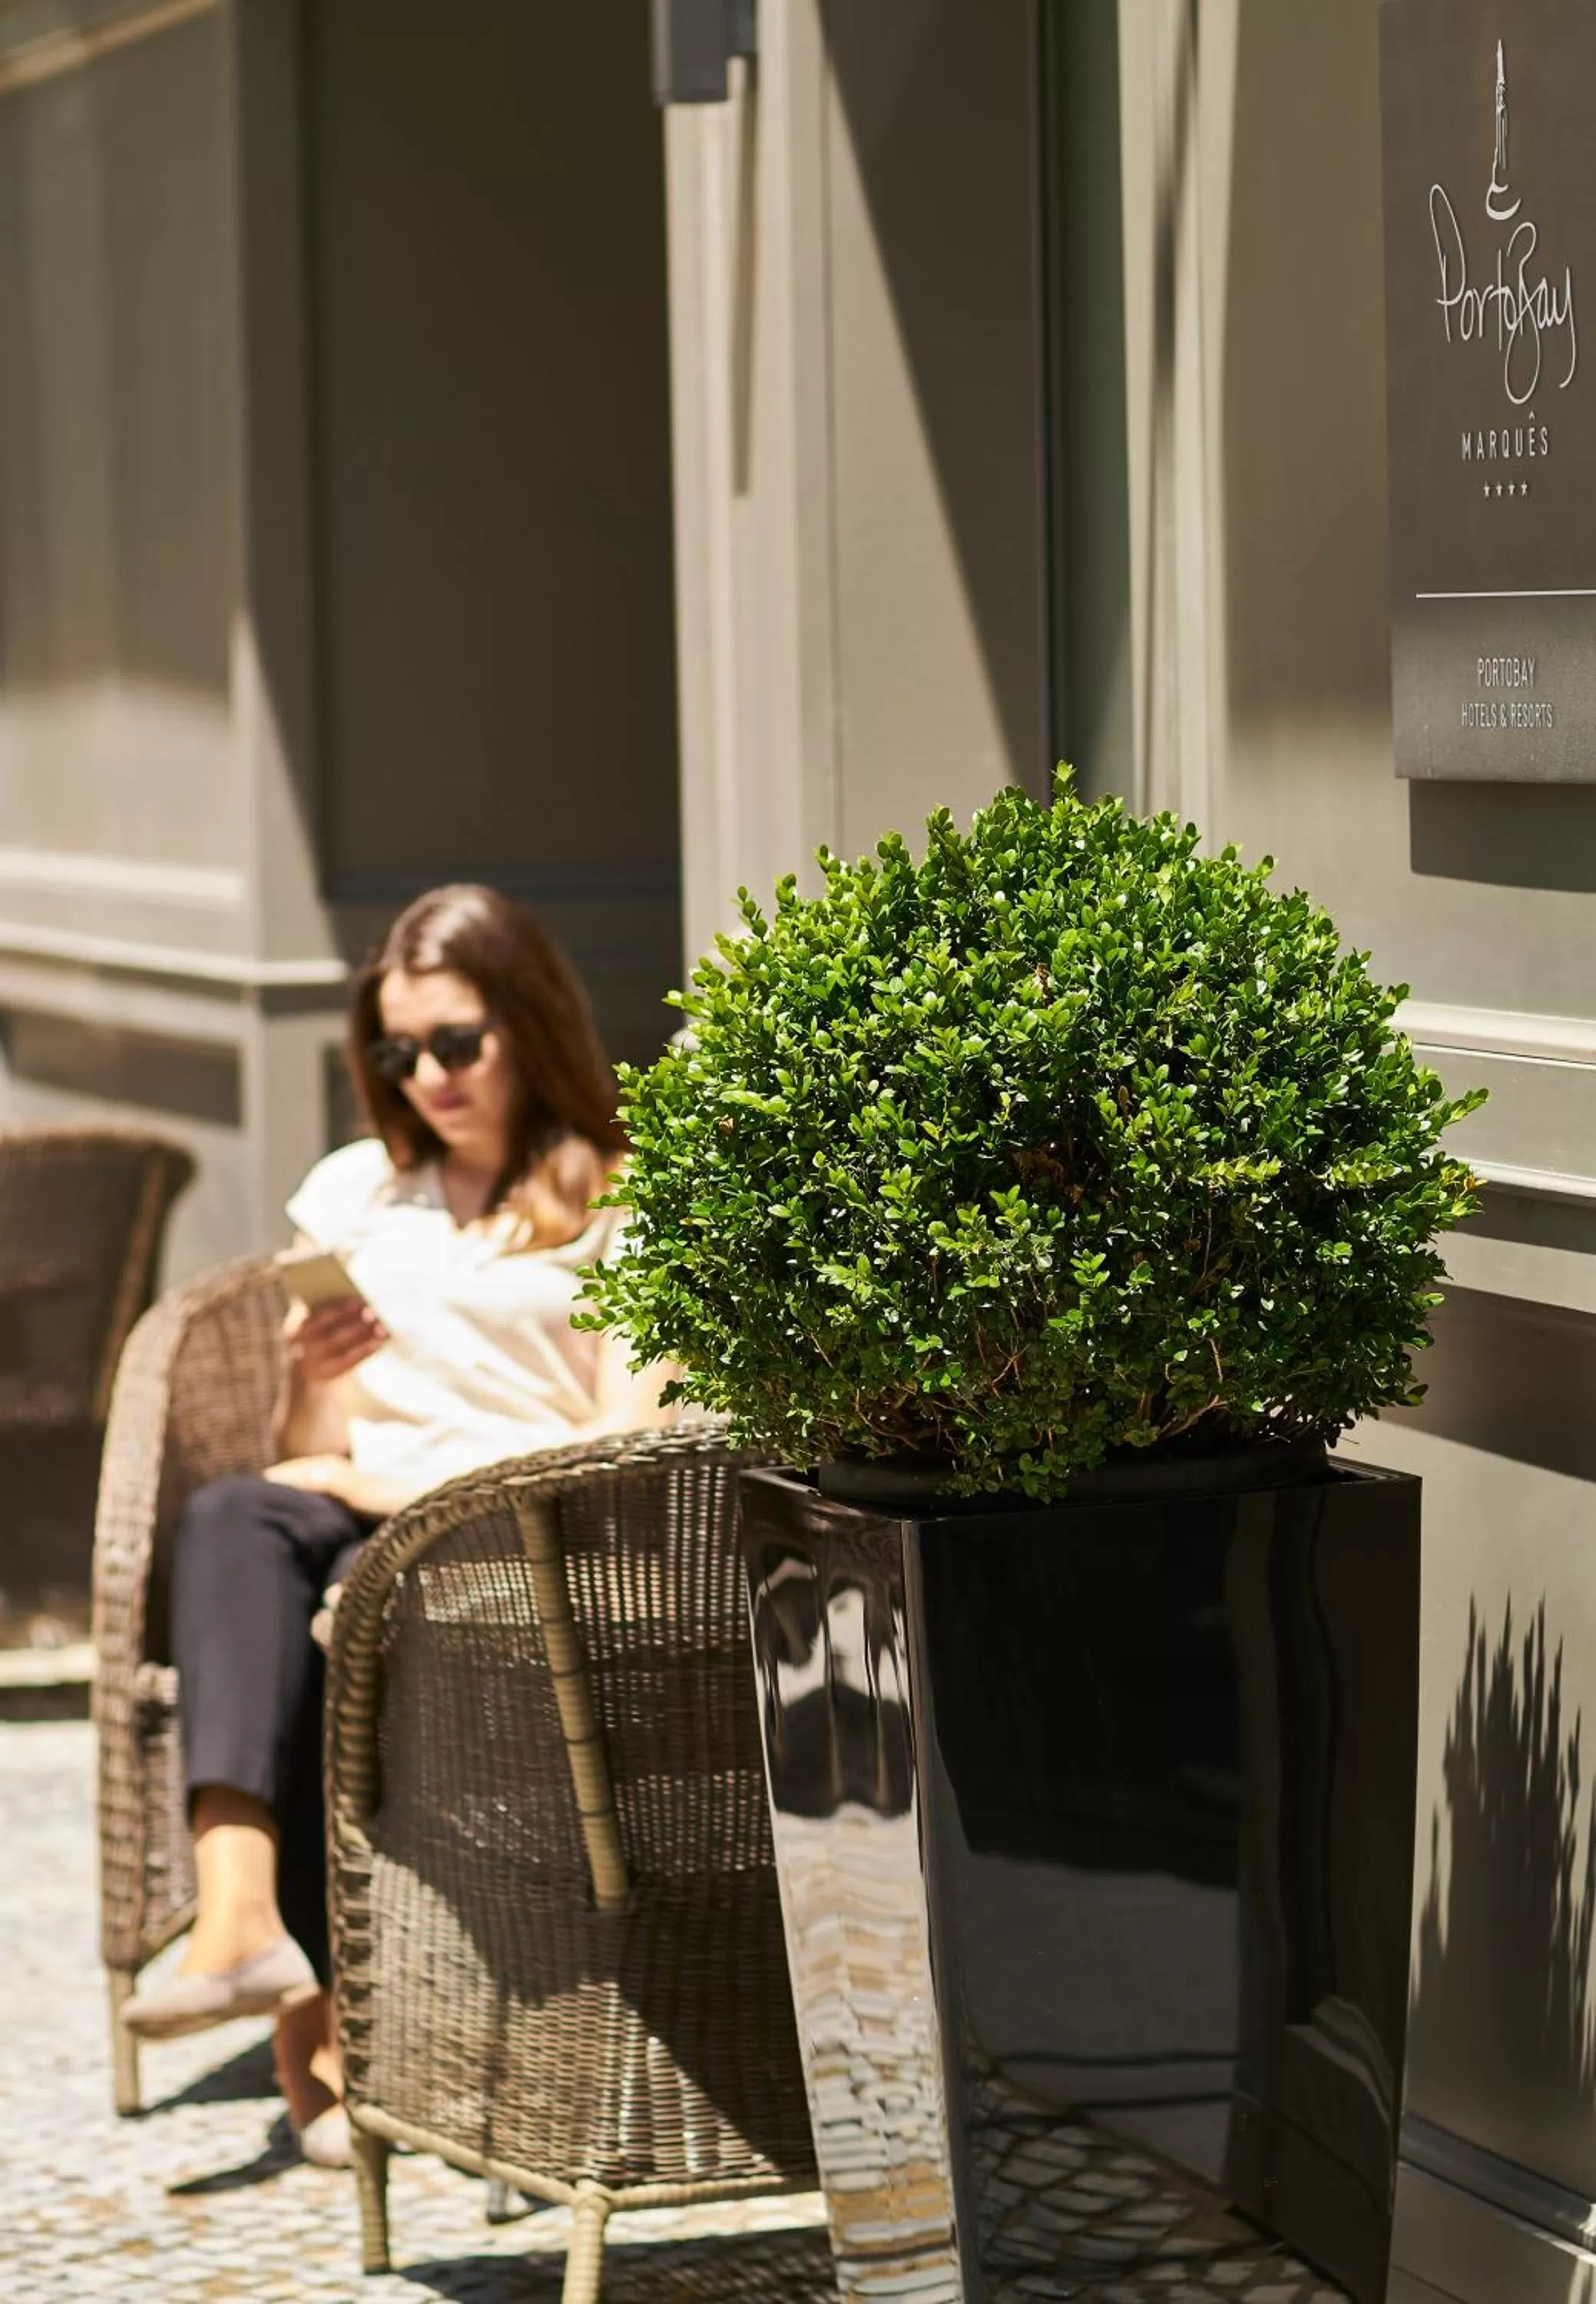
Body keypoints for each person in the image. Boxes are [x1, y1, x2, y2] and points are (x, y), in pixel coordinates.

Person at [120, 886, 668, 2166]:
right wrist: (317, 1365)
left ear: (530, 1024)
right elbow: (308, 1444)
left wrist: (416, 1485)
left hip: (514, 1536)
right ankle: (239, 1916)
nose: (426, 1076)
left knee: (345, 1609)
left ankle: (332, 2023)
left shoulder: (624, 1199)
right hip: (350, 1505)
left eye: (456, 1043)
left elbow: (625, 1441)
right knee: (232, 1521)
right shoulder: (358, 1191)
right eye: (395, 1052)